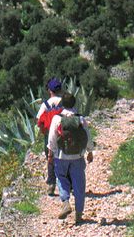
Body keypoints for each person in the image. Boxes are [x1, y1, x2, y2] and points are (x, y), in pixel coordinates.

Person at [47, 92, 94, 224]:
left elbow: (52, 138)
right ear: (74, 104)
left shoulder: (57, 118)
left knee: (61, 178)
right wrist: (90, 152)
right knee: (79, 184)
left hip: (61, 156)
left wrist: (51, 154)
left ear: (62, 104)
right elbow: (87, 136)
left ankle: (66, 201)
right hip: (78, 157)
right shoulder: (80, 119)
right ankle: (79, 214)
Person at [36, 77, 62, 196]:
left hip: (49, 136)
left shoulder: (46, 104)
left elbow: (38, 120)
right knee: (64, 157)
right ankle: (69, 183)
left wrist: (43, 131)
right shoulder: (65, 102)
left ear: (49, 91)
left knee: (50, 158)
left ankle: (51, 184)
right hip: (63, 134)